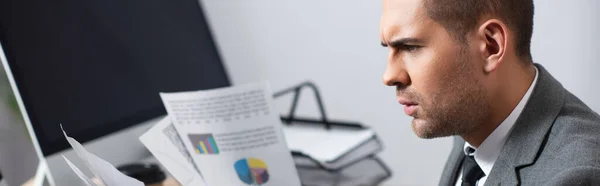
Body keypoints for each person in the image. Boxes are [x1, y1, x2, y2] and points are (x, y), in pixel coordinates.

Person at [379, 0, 600, 185]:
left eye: (410, 47)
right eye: (388, 48)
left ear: (490, 46)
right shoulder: (471, 118)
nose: (389, 76)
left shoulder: (578, 175)